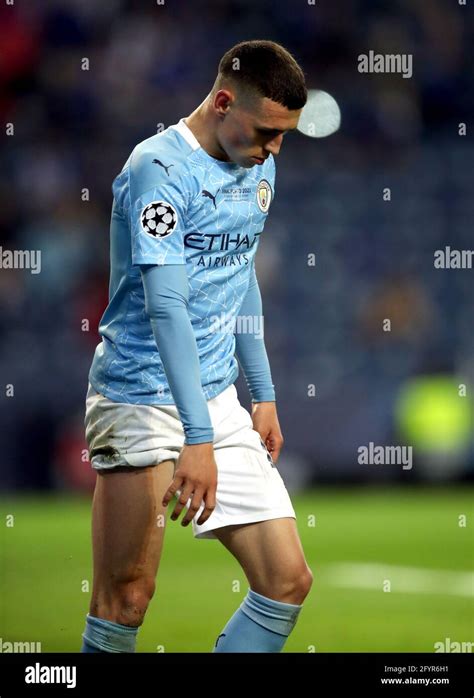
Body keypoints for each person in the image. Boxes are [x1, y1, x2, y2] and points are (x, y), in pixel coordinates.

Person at [81, 39, 313, 654]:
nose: (274, 149)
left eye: (285, 135)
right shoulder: (157, 170)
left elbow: (241, 275)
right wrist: (198, 437)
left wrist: (260, 392)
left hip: (214, 397)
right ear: (222, 101)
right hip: (140, 397)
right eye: (267, 130)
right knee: (126, 599)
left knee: (287, 580)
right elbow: (166, 306)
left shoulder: (258, 164)